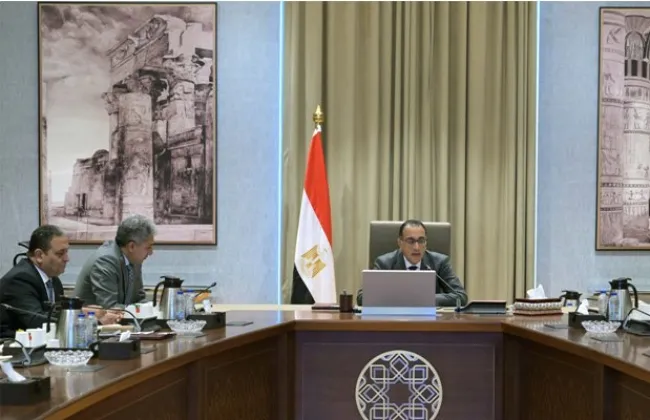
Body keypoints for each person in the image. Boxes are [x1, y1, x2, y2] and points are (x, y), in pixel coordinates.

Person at [0, 225, 121, 338]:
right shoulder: (20, 280)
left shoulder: (54, 280)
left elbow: (56, 314)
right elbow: (36, 321)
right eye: (60, 253)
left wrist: (94, 316)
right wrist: (81, 313)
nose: (67, 258)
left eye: (66, 252)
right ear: (39, 255)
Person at [357, 219, 468, 307]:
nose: (416, 247)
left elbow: (461, 296)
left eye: (421, 241)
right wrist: (406, 299)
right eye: (410, 241)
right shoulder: (385, 263)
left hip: (431, 322)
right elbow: (362, 297)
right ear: (400, 243)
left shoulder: (440, 262)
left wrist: (425, 299)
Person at [74, 214, 155, 309]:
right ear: (131, 246)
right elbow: (110, 308)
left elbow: (139, 299)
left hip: (121, 317)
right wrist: (140, 309)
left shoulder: (134, 259)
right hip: (89, 318)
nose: (151, 252)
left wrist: (152, 308)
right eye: (148, 247)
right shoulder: (105, 261)